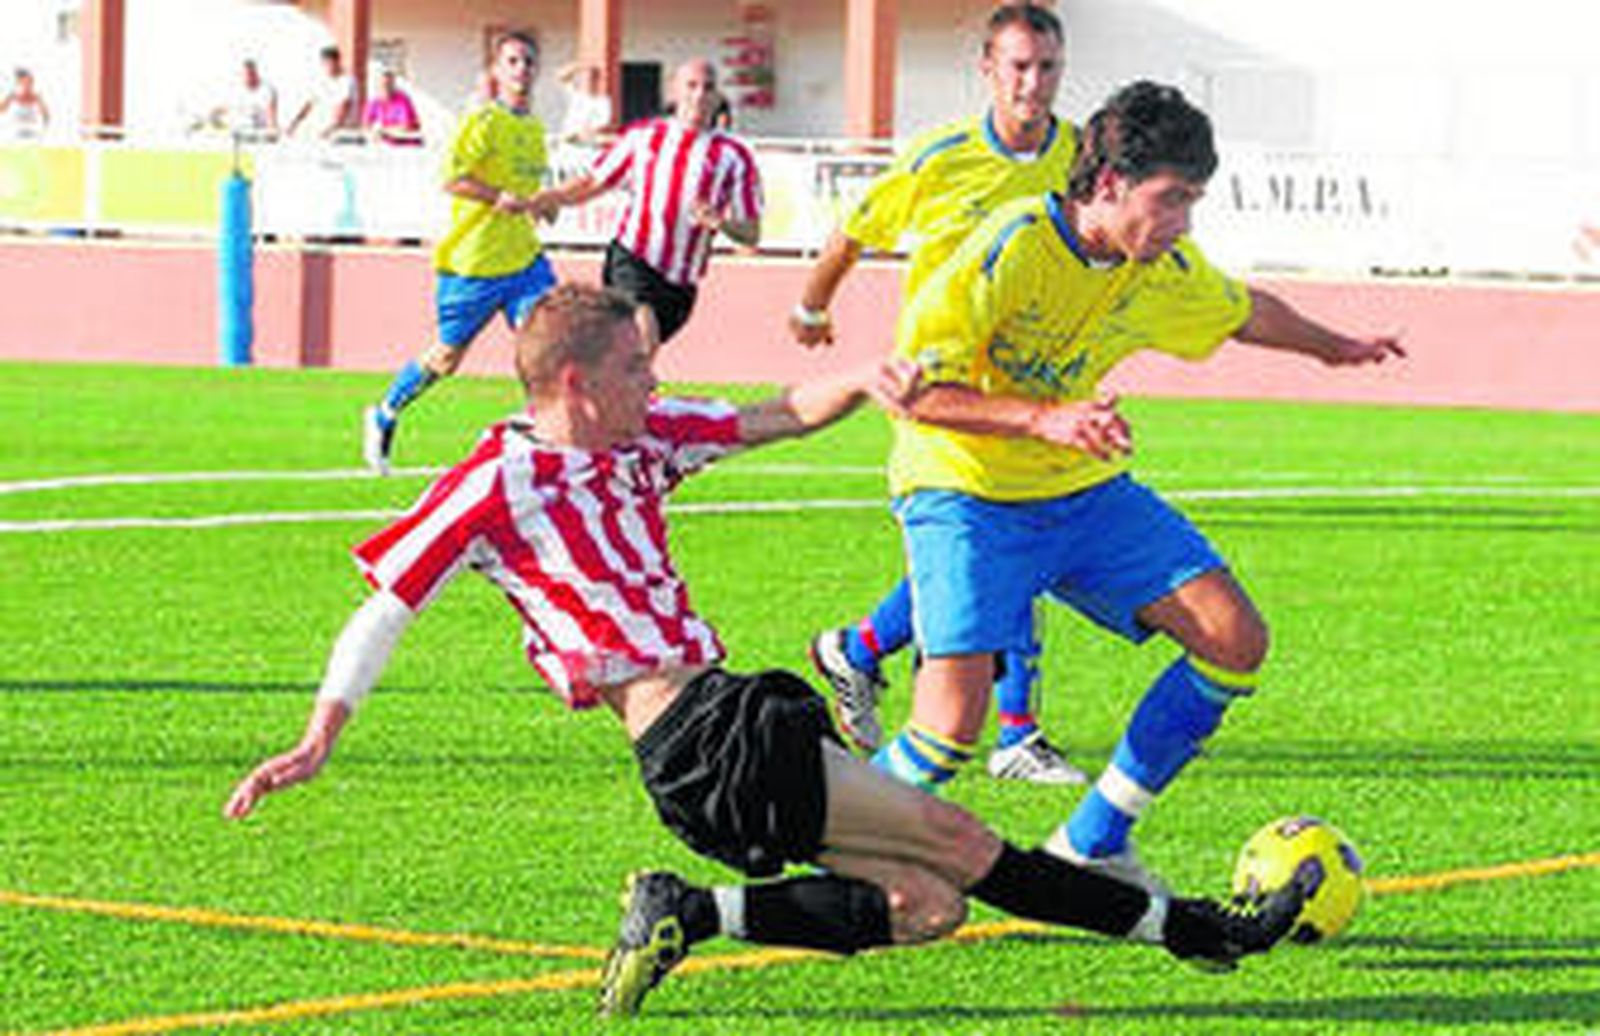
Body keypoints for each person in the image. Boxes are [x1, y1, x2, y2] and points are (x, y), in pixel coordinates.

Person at [223, 282, 1307, 1018]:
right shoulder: (493, 482)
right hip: (700, 736)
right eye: (635, 368)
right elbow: (387, 604)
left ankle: (690, 910)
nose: (653, 384)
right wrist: (320, 735)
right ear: (575, 385)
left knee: (927, 906)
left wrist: (867, 380)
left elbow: (775, 415)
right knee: (961, 841)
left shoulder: (642, 437)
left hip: (714, 738)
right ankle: (1197, 932)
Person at [880, 80, 1404, 891]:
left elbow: (1242, 310)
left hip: (1080, 490)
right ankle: (823, 830)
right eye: (1172, 199)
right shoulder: (1009, 247)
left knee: (1234, 639)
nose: (1183, 223)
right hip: (964, 493)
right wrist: (1044, 419)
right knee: (948, 730)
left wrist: (1334, 348)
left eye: (1193, 202)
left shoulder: (1162, 265)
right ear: (1109, 183)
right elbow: (913, 394)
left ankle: (1091, 842)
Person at [793, 4, 1087, 785]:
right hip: (940, 389)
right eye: (1018, 66)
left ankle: (857, 649)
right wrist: (811, 307)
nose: (1033, 83)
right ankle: (1016, 734)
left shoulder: (1081, 157)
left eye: (1047, 67)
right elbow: (855, 231)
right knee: (1009, 538)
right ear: (987, 68)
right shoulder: (940, 157)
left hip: (1034, 382)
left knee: (994, 551)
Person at [360, 31, 556, 476]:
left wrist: (544, 205)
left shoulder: (534, 128)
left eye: (528, 61)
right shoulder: (483, 121)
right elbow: (452, 179)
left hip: (524, 261)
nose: (522, 69)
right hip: (474, 263)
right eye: (512, 61)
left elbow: (528, 189)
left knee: (547, 340)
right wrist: (496, 197)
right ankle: (385, 412)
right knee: (446, 358)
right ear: (496, 70)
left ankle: (540, 439)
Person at [533, 59, 762, 344]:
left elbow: (751, 234)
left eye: (708, 88)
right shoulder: (643, 137)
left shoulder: (735, 157)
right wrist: (548, 198)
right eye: (691, 86)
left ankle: (586, 368)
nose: (699, 95)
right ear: (674, 91)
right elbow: (593, 183)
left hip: (681, 284)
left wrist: (720, 222)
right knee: (643, 333)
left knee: (629, 356)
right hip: (633, 260)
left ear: (717, 96)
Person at [286, 44, 360, 141]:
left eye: (330, 63)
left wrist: (330, 129)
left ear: (338, 62)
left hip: (343, 132)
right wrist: (294, 123)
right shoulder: (320, 81)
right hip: (323, 132)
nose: (327, 67)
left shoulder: (347, 81)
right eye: (325, 63)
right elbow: (309, 104)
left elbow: (343, 107)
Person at [208, 57, 279, 142]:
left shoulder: (267, 89)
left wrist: (272, 129)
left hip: (258, 131)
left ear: (256, 74)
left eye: (252, 74)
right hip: (238, 129)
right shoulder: (236, 89)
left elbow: (271, 113)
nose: (249, 77)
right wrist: (214, 113)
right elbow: (229, 107)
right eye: (246, 75)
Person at [555, 60, 613, 146]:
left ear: (599, 80)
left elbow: (601, 125)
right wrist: (579, 66)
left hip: (588, 145)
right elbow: (561, 76)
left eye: (593, 78)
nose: (589, 82)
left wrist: (585, 133)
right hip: (567, 143)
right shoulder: (576, 95)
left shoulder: (603, 102)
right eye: (587, 78)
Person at [363, 66, 422, 146]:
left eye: (389, 84)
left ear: (393, 83)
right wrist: (372, 133)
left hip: (407, 144)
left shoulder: (402, 99)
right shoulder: (374, 101)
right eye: (383, 83)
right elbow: (366, 124)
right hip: (389, 144)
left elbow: (407, 126)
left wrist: (384, 130)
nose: (386, 86)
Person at [0, 67, 50, 141]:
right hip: (14, 136)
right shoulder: (12, 97)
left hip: (34, 135)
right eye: (21, 81)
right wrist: (9, 97)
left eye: (27, 81)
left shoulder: (37, 98)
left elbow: (46, 117)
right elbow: (1, 110)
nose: (24, 84)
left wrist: (40, 101)